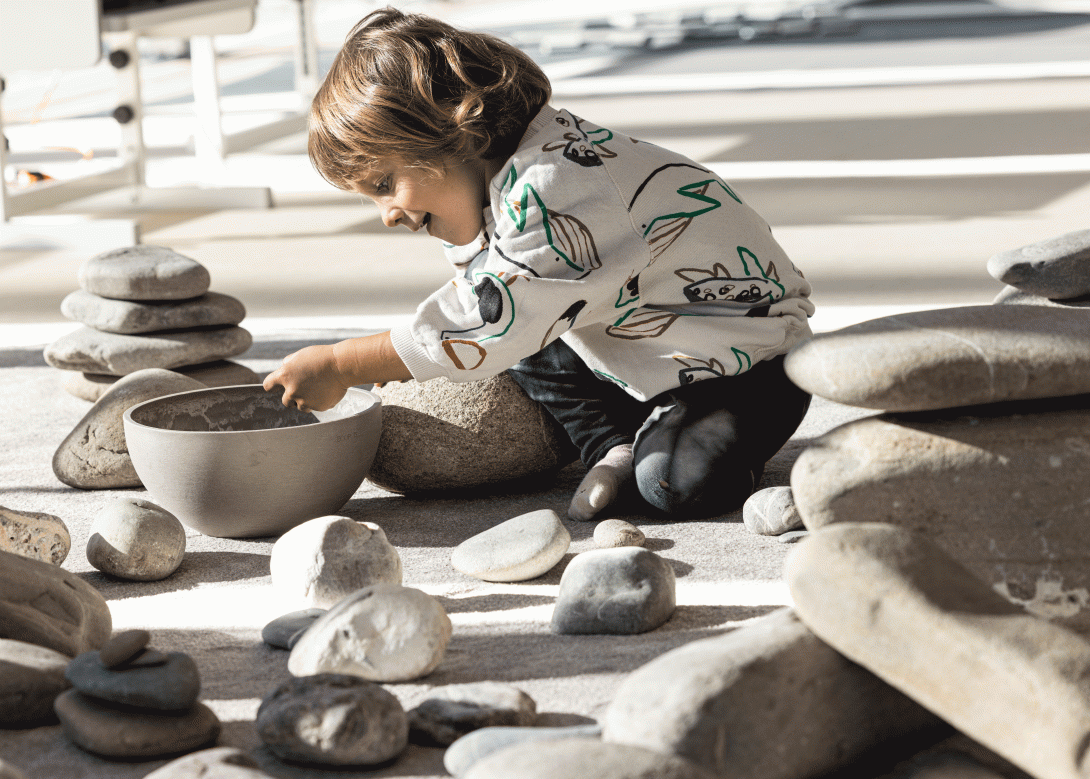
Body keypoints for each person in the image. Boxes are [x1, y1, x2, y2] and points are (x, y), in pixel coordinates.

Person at [263, 7, 815, 521]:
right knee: (528, 340)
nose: (385, 214)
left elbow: (485, 319)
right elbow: (495, 304)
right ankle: (613, 443)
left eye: (385, 185)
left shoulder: (561, 184)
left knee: (672, 485)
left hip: (745, 365)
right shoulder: (493, 185)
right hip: (635, 351)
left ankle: (691, 441)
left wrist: (344, 363)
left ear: (457, 132)